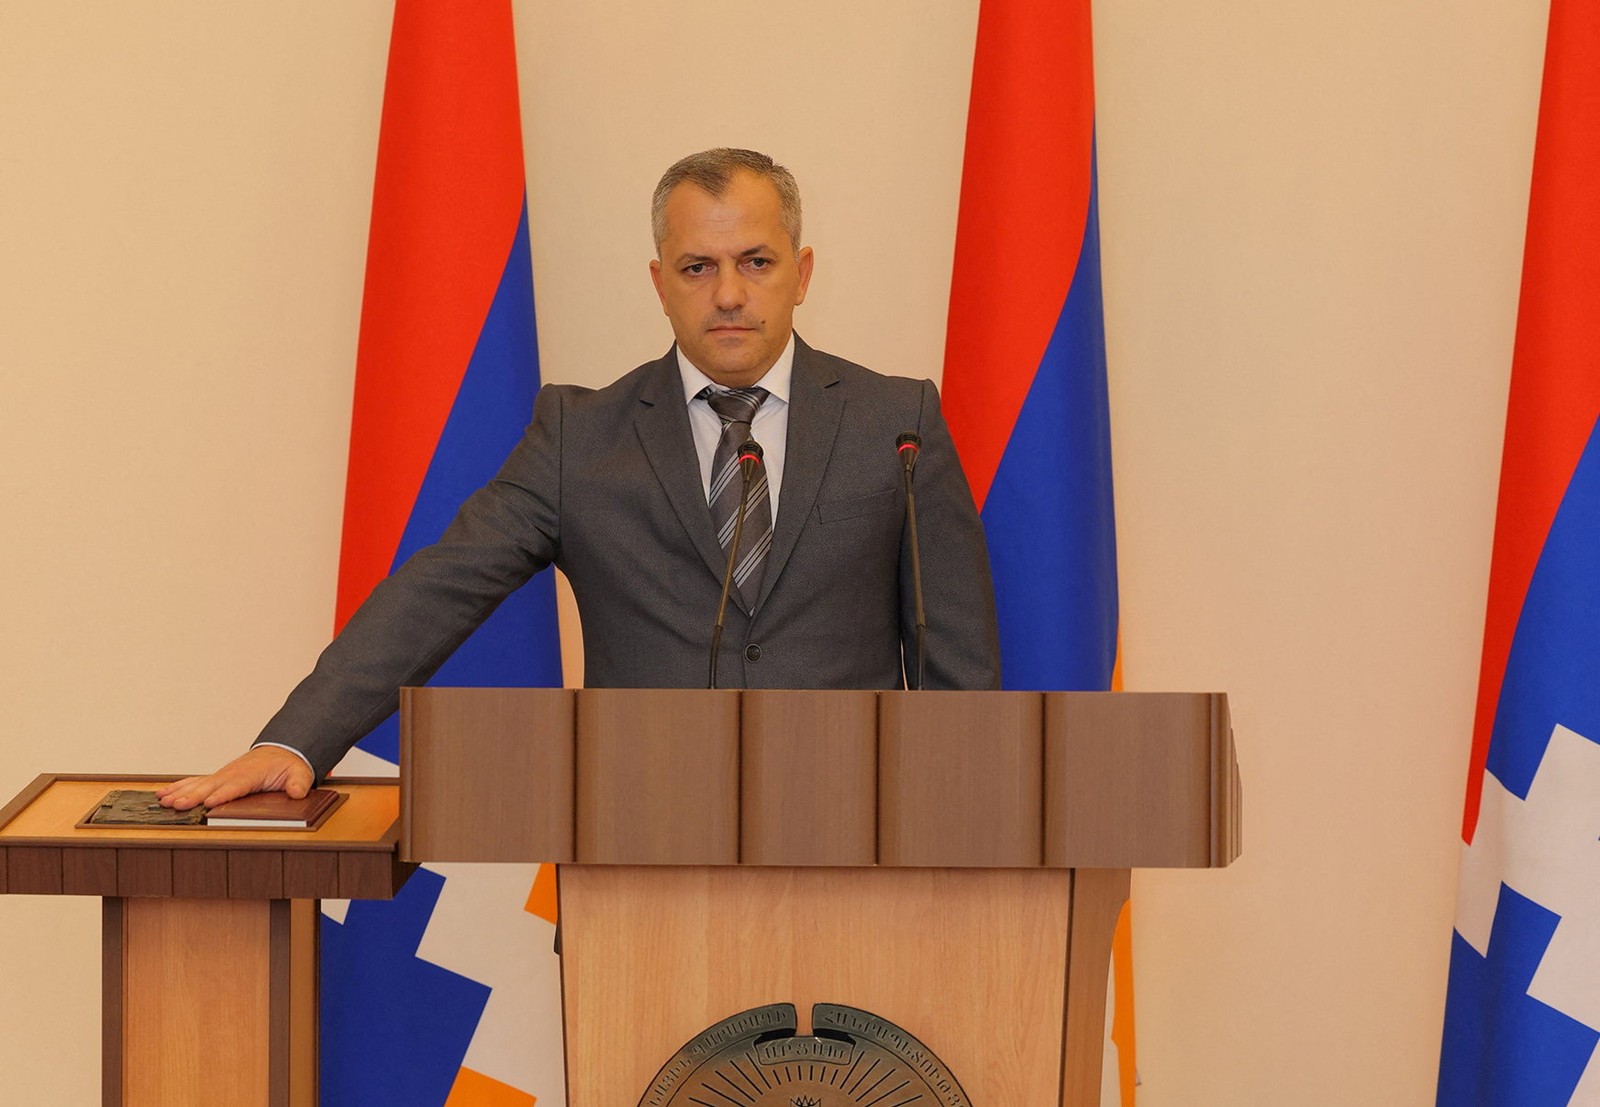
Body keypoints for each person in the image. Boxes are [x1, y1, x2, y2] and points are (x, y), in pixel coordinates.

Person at [159, 148, 999, 812]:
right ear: (659, 283)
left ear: (802, 272)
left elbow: (959, 666)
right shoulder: (581, 437)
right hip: (640, 859)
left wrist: (963, 850)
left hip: (864, 859)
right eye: (697, 267)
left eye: (756, 261)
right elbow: (438, 589)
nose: (729, 294)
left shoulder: (897, 425)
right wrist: (296, 741)